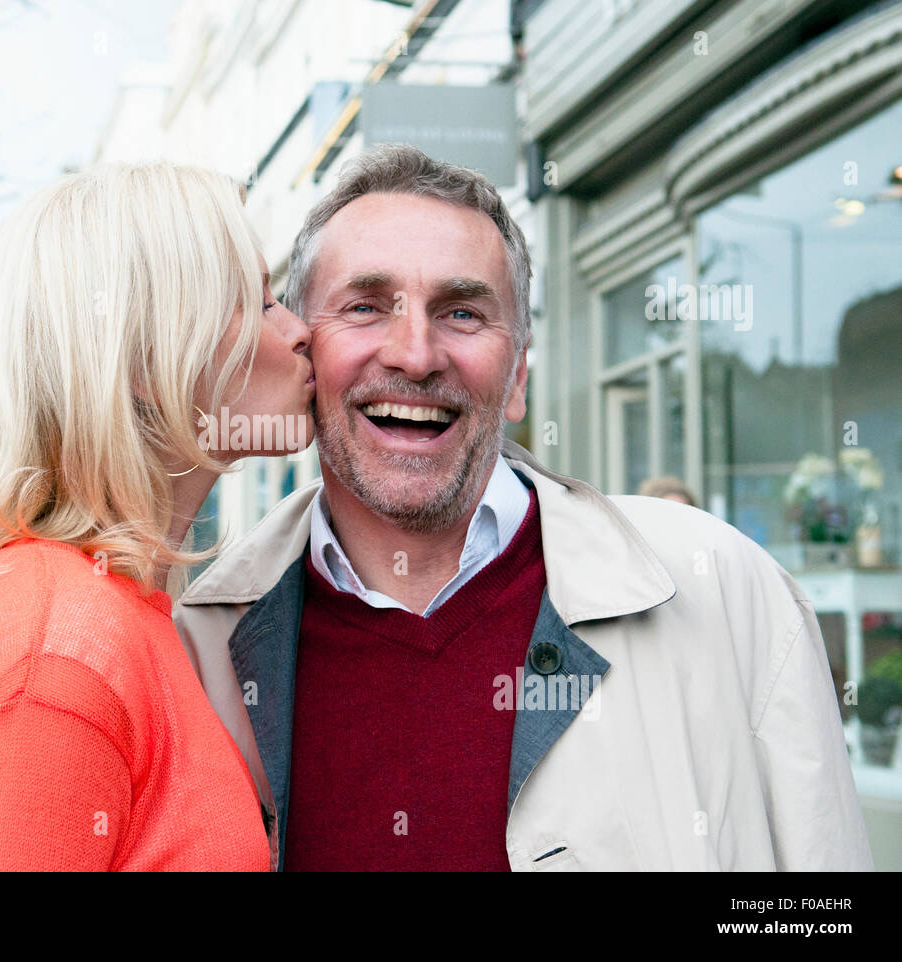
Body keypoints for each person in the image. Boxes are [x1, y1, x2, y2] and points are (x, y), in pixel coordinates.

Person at [173, 143, 873, 872]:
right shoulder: (202, 644)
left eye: (463, 312)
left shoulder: (722, 589)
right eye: (365, 306)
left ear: (517, 378)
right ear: (303, 354)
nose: (416, 355)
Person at [0, 161, 314, 871]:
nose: (300, 331)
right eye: (258, 303)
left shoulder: (116, 614)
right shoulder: (52, 658)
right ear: (142, 355)